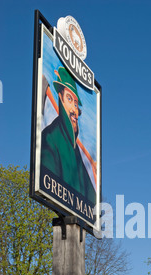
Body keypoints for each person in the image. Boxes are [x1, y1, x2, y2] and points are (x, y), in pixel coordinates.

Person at [41, 67, 95, 204]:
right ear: (60, 98)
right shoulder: (49, 137)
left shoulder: (74, 147)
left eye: (76, 104)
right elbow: (46, 182)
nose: (74, 109)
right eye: (69, 99)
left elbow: (93, 203)